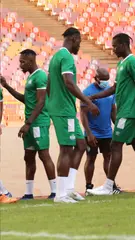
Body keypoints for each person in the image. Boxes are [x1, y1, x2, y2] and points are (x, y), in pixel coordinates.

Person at [86, 33, 135, 195]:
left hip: (129, 112)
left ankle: (108, 186)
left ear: (122, 45)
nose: (112, 49)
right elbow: (114, 88)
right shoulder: (122, 64)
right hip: (127, 111)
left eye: (114, 46)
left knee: (115, 145)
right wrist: (93, 96)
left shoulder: (132, 62)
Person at [47, 27, 99, 203]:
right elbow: (69, 82)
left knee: (81, 144)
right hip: (63, 110)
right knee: (66, 149)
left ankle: (68, 189)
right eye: (80, 42)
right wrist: (88, 101)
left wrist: (51, 102)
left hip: (65, 108)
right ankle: (60, 195)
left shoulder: (56, 57)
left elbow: (49, 84)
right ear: (74, 39)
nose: (79, 46)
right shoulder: (66, 57)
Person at [0, 49, 57, 199]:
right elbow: (26, 99)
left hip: (39, 123)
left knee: (44, 155)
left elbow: (41, 101)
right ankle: (28, 193)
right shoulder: (31, 78)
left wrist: (28, 123)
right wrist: (6, 86)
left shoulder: (41, 76)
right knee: (29, 157)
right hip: (31, 124)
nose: (20, 65)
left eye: (23, 62)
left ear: (31, 61)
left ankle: (55, 191)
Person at [81, 68, 121, 194]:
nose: (105, 82)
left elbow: (113, 110)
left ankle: (111, 185)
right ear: (96, 78)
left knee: (108, 157)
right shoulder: (87, 92)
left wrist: (117, 128)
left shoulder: (110, 91)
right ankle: (88, 187)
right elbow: (83, 114)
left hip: (107, 132)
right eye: (103, 80)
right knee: (91, 158)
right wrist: (89, 133)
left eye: (107, 80)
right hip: (93, 133)